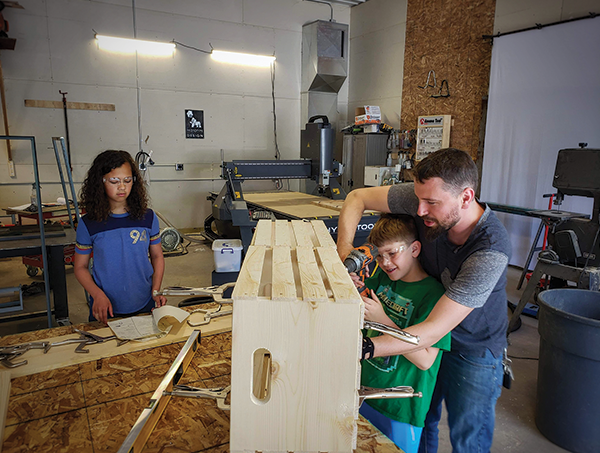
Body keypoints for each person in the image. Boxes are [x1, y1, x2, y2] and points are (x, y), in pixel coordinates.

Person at [337, 148, 510, 453]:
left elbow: (431, 331)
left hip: (473, 348)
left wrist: (368, 347)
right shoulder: (424, 197)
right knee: (424, 419)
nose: (419, 211)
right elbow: (356, 198)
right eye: (418, 200)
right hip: (421, 328)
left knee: (467, 435)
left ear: (466, 198)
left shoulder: (490, 250)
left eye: (431, 203)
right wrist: (344, 254)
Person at [358, 213, 449, 453]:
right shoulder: (383, 279)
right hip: (366, 392)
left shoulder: (435, 296)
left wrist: (384, 320)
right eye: (379, 255)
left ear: (415, 249)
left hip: (401, 408)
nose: (385, 262)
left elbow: (425, 359)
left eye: (392, 253)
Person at [74, 150, 167, 324]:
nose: (122, 187)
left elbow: (157, 256)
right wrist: (97, 295)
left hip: (145, 301)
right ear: (100, 182)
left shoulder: (148, 218)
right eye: (114, 181)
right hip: (105, 305)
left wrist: (156, 290)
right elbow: (80, 267)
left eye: (127, 180)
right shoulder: (89, 223)